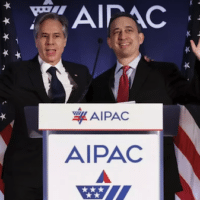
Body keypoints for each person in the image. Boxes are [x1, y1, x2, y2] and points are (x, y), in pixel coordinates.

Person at [87, 12, 200, 200]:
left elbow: (194, 96)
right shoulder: (97, 84)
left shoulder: (164, 72)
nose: (122, 36)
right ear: (109, 41)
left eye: (129, 30)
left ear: (140, 38)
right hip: (112, 178)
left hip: (156, 175)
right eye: (116, 32)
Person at [0, 13, 90, 200]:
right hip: (24, 174)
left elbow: (100, 104)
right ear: (36, 41)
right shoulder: (17, 72)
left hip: (69, 171)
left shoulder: (81, 73)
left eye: (56, 36)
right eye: (44, 36)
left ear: (64, 41)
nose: (50, 42)